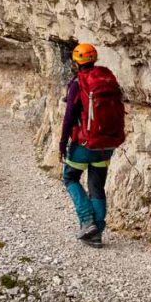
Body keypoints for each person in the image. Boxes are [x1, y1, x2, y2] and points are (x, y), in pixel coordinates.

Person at [59, 43, 126, 248]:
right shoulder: (107, 78)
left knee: (69, 177)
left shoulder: (79, 83)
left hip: (85, 143)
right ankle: (96, 234)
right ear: (94, 58)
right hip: (106, 144)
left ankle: (87, 220)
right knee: (97, 187)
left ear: (76, 61)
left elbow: (70, 116)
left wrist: (62, 142)